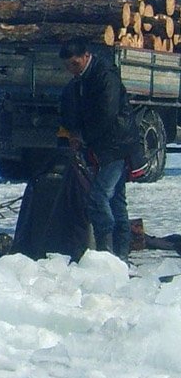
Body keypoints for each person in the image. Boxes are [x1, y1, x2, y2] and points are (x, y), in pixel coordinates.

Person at [59, 37, 139, 262]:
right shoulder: (80, 80)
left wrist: (83, 135)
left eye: (74, 64)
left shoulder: (105, 76)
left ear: (86, 56)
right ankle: (119, 254)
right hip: (102, 144)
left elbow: (106, 113)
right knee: (116, 200)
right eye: (67, 66)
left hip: (116, 145)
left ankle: (107, 250)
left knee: (99, 196)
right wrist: (72, 131)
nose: (71, 70)